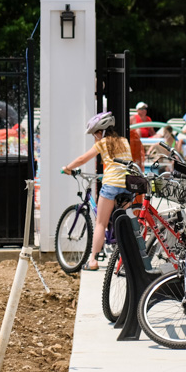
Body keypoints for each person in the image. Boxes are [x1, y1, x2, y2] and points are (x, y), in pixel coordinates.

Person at [60, 111, 133, 271]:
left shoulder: (103, 142)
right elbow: (122, 164)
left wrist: (67, 168)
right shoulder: (124, 141)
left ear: (101, 132)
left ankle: (92, 260)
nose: (94, 137)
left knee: (101, 222)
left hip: (112, 185)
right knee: (123, 224)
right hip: (127, 185)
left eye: (94, 134)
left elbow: (82, 159)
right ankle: (122, 261)